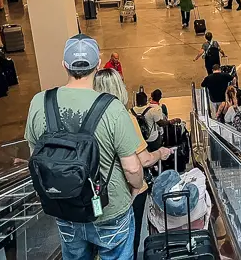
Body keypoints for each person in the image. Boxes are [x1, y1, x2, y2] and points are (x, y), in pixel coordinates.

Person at [25, 34, 144, 260]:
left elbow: (35, 156)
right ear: (98, 65)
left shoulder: (40, 103)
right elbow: (132, 168)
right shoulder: (113, 108)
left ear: (64, 65)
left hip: (64, 206)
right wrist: (136, 188)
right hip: (110, 209)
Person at [93, 68, 171, 260]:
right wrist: (160, 153)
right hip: (124, 194)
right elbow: (142, 161)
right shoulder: (122, 116)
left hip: (94, 192)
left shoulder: (86, 116)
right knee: (128, 243)